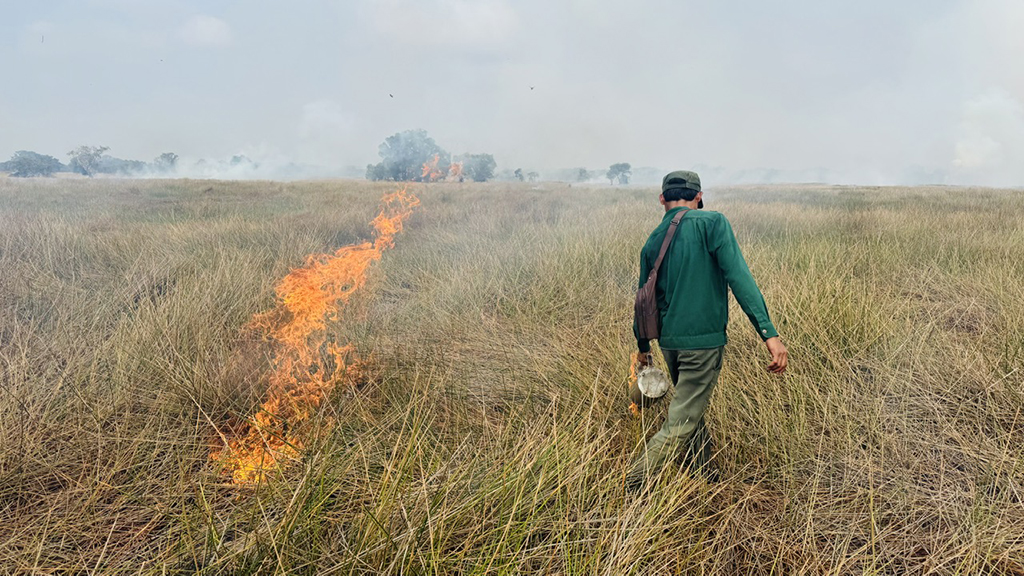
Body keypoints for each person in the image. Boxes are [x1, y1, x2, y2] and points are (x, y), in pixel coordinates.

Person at [626, 170, 788, 491]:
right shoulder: (712, 222)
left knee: (689, 408)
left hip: (669, 343)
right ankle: (633, 482)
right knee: (682, 419)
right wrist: (769, 334)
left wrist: (643, 347)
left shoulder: (653, 240)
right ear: (698, 196)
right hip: (703, 342)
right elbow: (740, 278)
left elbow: (643, 300)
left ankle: (704, 474)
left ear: (662, 199)